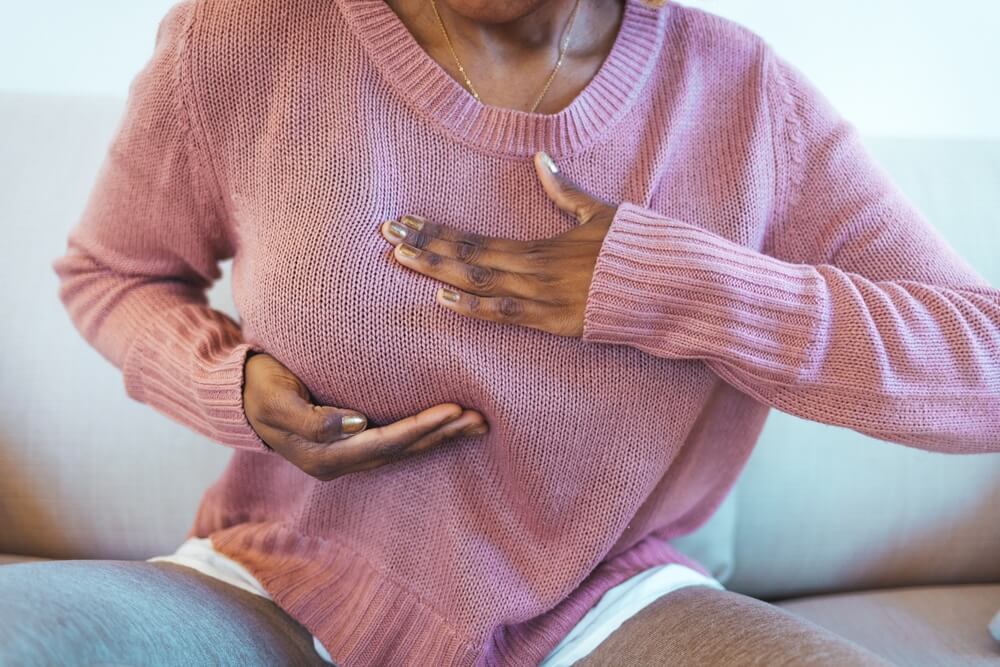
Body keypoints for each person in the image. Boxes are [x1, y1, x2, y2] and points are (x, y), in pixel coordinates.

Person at [3, 0, 996, 663]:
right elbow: (111, 274)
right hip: (275, 584)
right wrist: (232, 386)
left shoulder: (742, 98)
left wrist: (682, 286)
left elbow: (982, 364)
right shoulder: (242, 37)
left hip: (602, 608)